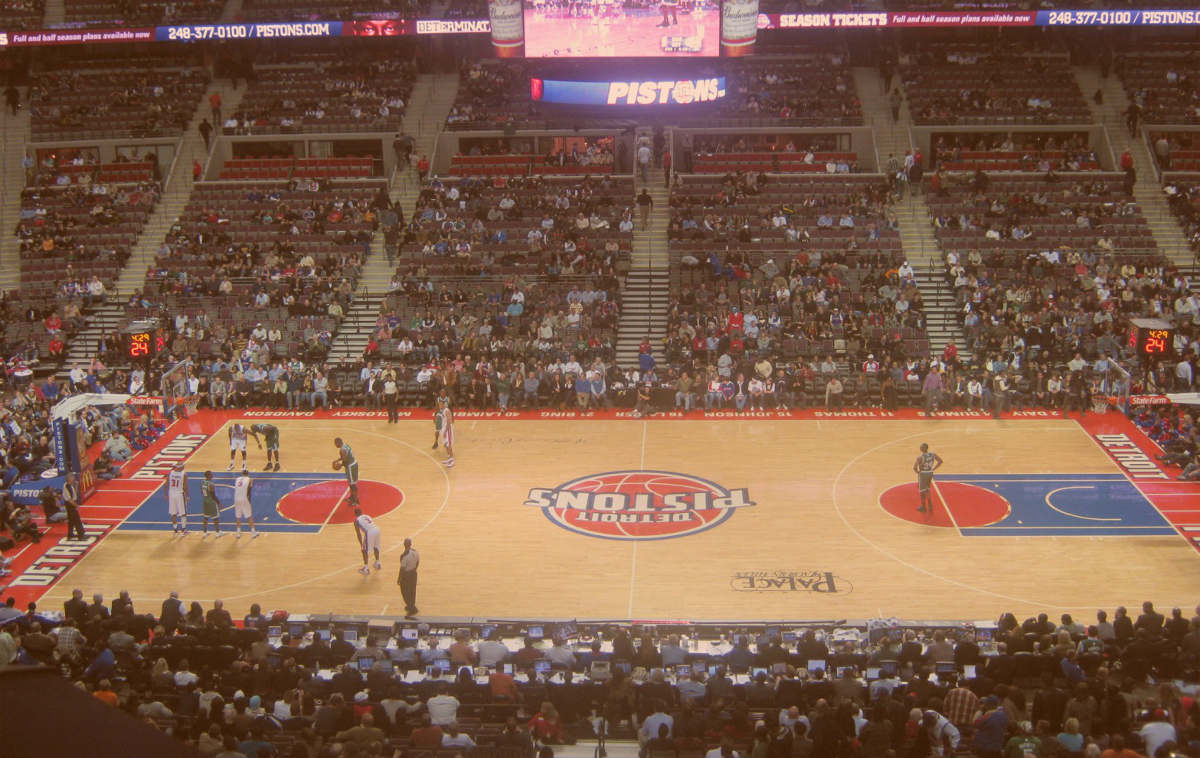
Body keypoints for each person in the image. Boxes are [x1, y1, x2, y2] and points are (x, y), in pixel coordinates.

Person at [914, 443, 943, 514]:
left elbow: (914, 468)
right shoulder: (932, 454)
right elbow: (940, 461)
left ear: (923, 448)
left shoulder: (920, 457)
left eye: (921, 447)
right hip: (930, 473)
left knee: (922, 491)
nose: (920, 448)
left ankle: (923, 507)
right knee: (927, 489)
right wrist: (933, 468)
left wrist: (918, 472)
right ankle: (930, 506)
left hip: (923, 474)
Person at [333, 437, 360, 507]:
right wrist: (337, 460)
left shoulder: (342, 450)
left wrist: (339, 465)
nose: (335, 445)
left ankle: (356, 500)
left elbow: (345, 460)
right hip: (352, 465)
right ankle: (352, 497)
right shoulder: (346, 445)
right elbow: (344, 457)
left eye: (335, 443)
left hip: (351, 467)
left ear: (338, 442)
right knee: (351, 483)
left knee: (353, 485)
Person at [354, 508, 382, 575]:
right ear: (361, 512)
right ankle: (378, 563)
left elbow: (358, 534)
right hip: (377, 530)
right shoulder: (367, 516)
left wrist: (361, 544)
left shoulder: (356, 520)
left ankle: (366, 569)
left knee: (364, 550)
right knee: (376, 547)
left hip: (370, 532)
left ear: (355, 514)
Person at [232, 468, 258, 538]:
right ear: (248, 474)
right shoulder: (250, 479)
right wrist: (249, 499)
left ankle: (238, 533)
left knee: (238, 517)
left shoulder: (237, 479)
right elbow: (249, 490)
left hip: (236, 499)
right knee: (249, 516)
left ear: (242, 473)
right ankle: (253, 533)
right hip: (244, 498)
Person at [397, 537, 419, 618]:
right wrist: (414, 569)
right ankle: (412, 605)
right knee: (412, 590)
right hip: (414, 573)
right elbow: (417, 562)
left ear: (404, 545)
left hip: (407, 575)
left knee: (405, 591)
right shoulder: (415, 552)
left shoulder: (404, 556)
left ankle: (411, 606)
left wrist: (399, 578)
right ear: (411, 544)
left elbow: (402, 569)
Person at [62, 471, 86, 541]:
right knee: (77, 520)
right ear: (69, 478)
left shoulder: (70, 485)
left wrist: (76, 486)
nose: (74, 478)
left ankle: (70, 534)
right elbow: (69, 500)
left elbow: (74, 494)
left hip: (71, 504)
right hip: (70, 505)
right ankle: (81, 535)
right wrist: (76, 505)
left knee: (71, 520)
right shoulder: (66, 487)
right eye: (72, 477)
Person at [432, 397, 455, 468]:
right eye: (439, 405)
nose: (440, 406)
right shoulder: (441, 411)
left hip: (448, 430)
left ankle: (452, 460)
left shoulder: (446, 410)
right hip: (444, 430)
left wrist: (445, 430)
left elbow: (449, 421)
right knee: (445, 445)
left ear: (444, 405)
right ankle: (449, 458)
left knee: (449, 445)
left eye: (441, 405)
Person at [167, 462, 189, 535]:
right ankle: (183, 530)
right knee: (183, 512)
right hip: (179, 494)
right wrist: (187, 495)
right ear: (180, 467)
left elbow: (165, 484)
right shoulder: (184, 474)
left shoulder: (171, 473)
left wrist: (166, 494)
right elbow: (185, 486)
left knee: (173, 513)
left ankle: (175, 530)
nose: (184, 467)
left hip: (171, 493)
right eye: (182, 466)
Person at [201, 470, 222, 538]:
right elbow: (213, 495)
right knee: (215, 518)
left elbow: (202, 492)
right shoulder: (211, 484)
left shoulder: (202, 482)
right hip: (211, 502)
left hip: (205, 501)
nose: (212, 475)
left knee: (205, 517)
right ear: (209, 476)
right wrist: (219, 503)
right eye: (211, 474)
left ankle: (204, 532)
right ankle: (218, 532)